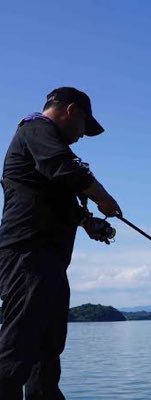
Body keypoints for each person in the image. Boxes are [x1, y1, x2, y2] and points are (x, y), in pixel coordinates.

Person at [0, 87, 122, 399]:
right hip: (27, 254)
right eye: (84, 126)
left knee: (48, 348)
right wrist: (103, 198)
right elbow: (62, 167)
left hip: (48, 260)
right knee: (18, 346)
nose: (82, 136)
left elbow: (55, 197)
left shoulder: (43, 142)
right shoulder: (36, 129)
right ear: (71, 111)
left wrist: (87, 222)